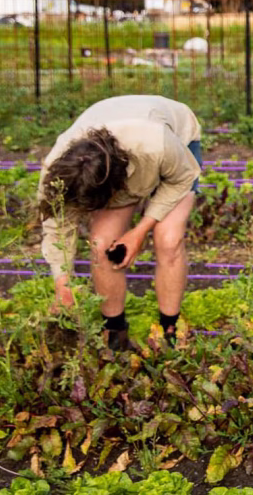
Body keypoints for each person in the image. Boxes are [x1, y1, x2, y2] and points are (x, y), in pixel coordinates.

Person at [39, 95, 203, 351]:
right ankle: (114, 334)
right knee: (102, 244)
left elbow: (182, 178)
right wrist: (63, 281)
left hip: (175, 147)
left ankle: (170, 331)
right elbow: (56, 226)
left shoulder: (155, 143)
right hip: (120, 153)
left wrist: (139, 231)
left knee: (168, 239)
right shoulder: (60, 168)